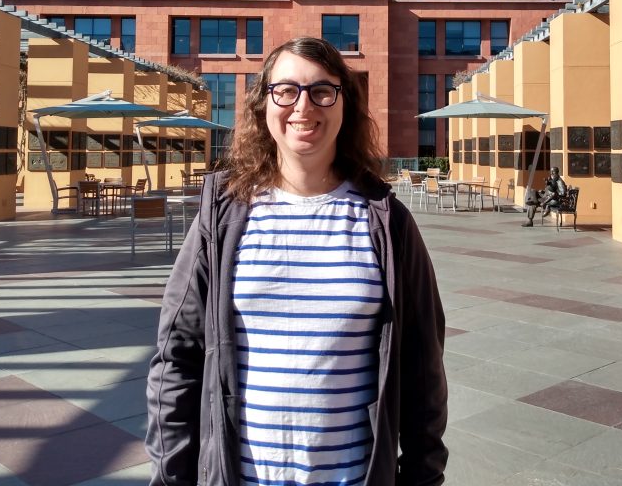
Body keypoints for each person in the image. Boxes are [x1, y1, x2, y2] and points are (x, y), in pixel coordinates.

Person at [146, 36, 448, 486]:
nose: (303, 107)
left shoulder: (387, 221)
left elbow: (423, 370)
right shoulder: (224, 215)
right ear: (263, 104)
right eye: (285, 90)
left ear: (344, 105)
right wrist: (172, 477)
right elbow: (176, 358)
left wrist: (422, 477)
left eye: (322, 91)